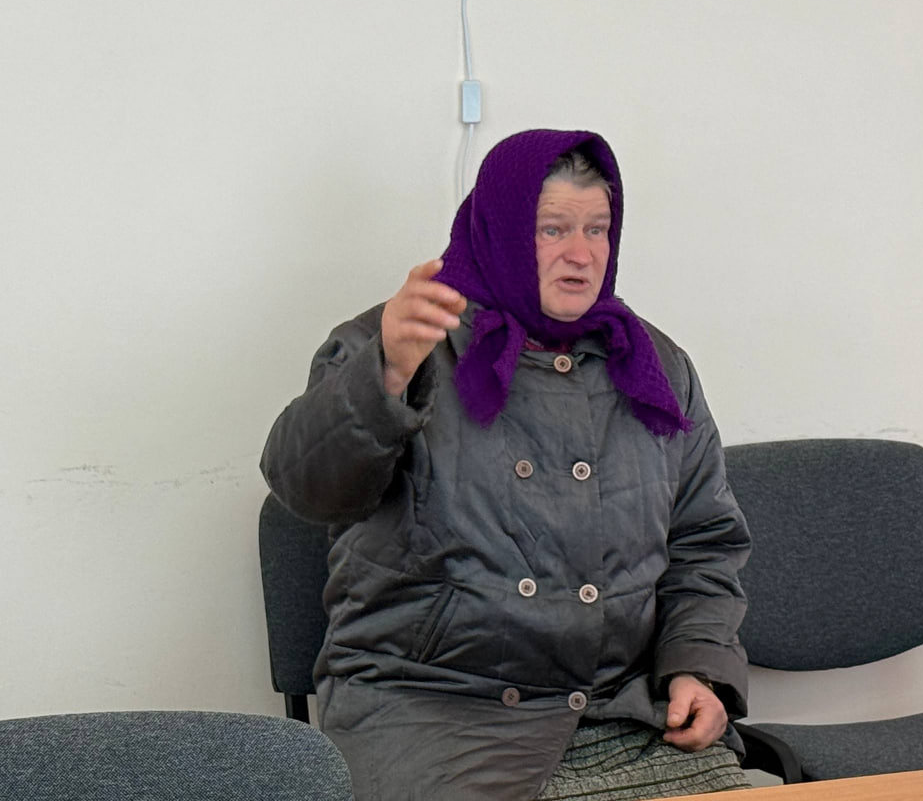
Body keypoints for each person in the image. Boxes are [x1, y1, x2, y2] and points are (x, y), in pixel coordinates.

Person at [261, 129, 751, 801]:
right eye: (553, 230)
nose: (582, 254)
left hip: (621, 710)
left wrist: (697, 666)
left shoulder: (652, 363)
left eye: (597, 229)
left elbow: (703, 543)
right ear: (502, 229)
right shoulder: (405, 337)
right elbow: (304, 487)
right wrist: (384, 373)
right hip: (435, 714)